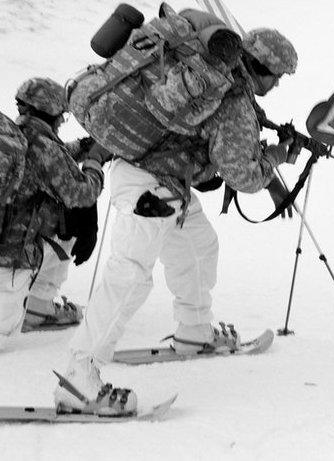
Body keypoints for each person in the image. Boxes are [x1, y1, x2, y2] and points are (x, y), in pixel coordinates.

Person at [55, 28, 298, 416]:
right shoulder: (231, 97)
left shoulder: (214, 78)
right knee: (130, 278)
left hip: (164, 183)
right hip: (149, 188)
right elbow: (242, 175)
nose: (279, 82)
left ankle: (194, 332)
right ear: (263, 67)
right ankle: (78, 378)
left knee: (199, 249)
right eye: (279, 75)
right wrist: (279, 159)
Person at [0, 78, 106, 350]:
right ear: (53, 112)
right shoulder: (43, 146)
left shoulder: (19, 133)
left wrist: (85, 146)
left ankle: (37, 306)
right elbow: (79, 193)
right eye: (62, 115)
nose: (62, 120)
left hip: (6, 239)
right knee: (3, 334)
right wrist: (95, 164)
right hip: (13, 253)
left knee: (63, 236)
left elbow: (57, 155)